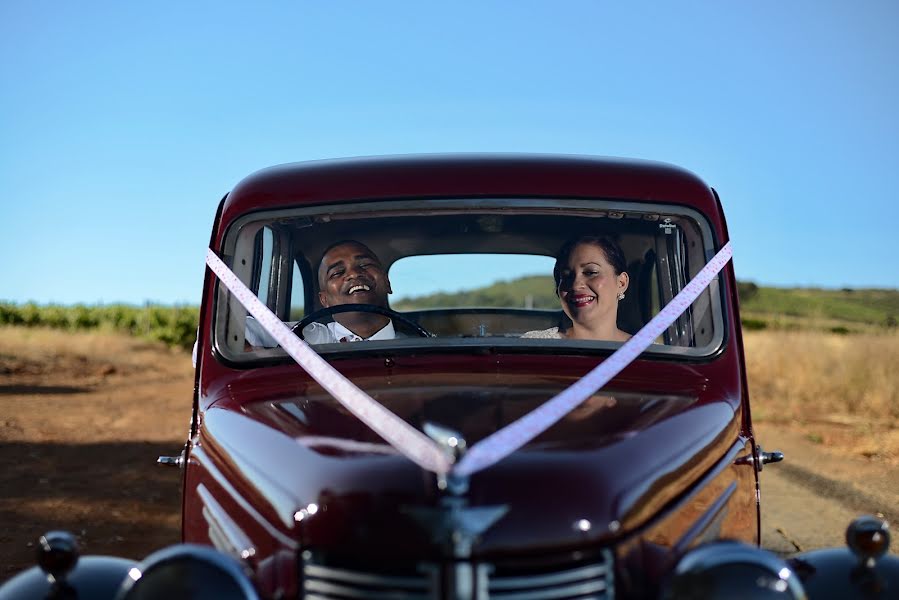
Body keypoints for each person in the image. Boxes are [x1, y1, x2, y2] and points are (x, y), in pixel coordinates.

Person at [522, 235, 630, 341]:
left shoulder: (643, 350)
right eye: (566, 276)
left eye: (591, 272)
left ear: (621, 283)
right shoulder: (536, 344)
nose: (575, 285)